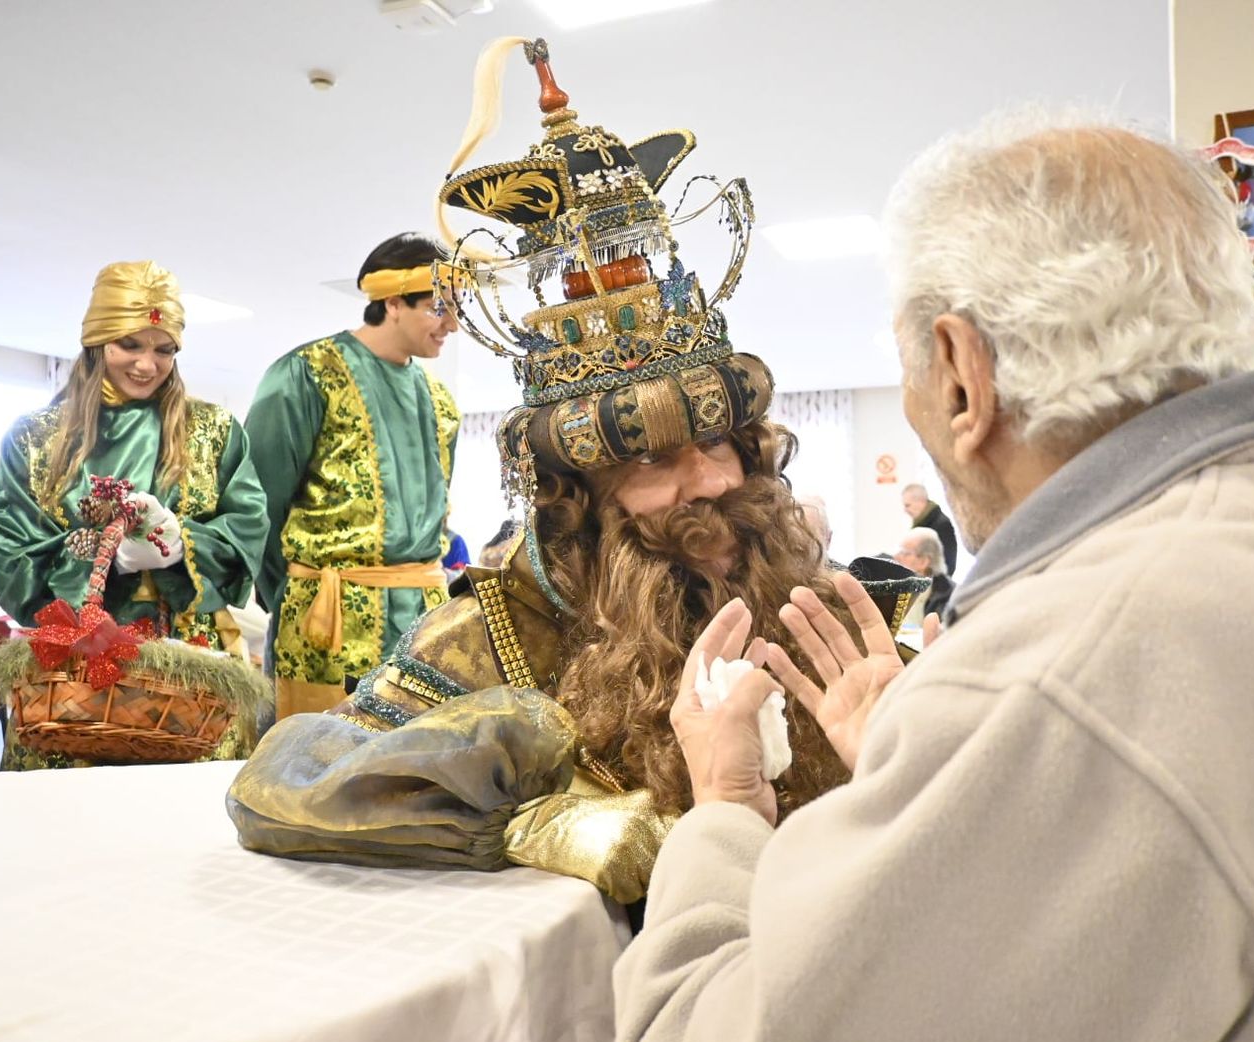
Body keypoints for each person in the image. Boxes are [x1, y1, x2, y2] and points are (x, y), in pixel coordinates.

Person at [611, 114, 1254, 1042]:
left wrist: (723, 804)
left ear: (961, 377)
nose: (706, 483)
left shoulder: (1065, 678)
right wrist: (934, 776)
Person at [226, 37, 927, 907]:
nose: (707, 482)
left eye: (720, 445)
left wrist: (910, 757)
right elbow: (281, 781)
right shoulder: (496, 638)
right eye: (650, 459)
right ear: (577, 494)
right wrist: (560, 822)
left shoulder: (827, 620)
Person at [0, 260, 269, 768]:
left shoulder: (216, 430)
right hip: (73, 671)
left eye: (163, 349)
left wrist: (182, 545)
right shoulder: (37, 437)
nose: (146, 365)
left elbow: (248, 525)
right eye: (130, 345)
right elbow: (11, 550)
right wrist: (106, 559)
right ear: (97, 342)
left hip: (189, 671)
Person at [244, 233, 462, 717]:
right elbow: (259, 503)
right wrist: (292, 590)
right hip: (329, 616)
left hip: (422, 623)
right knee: (314, 768)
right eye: (438, 307)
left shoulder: (440, 401)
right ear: (392, 302)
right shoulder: (305, 374)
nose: (452, 324)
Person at [893, 527, 952, 618]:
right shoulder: (895, 585)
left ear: (924, 561)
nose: (896, 557)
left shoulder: (948, 597)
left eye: (904, 553)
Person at [900, 481, 958, 572]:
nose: (905, 510)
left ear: (920, 501)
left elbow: (948, 564)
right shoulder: (922, 524)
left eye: (908, 505)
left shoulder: (942, 525)